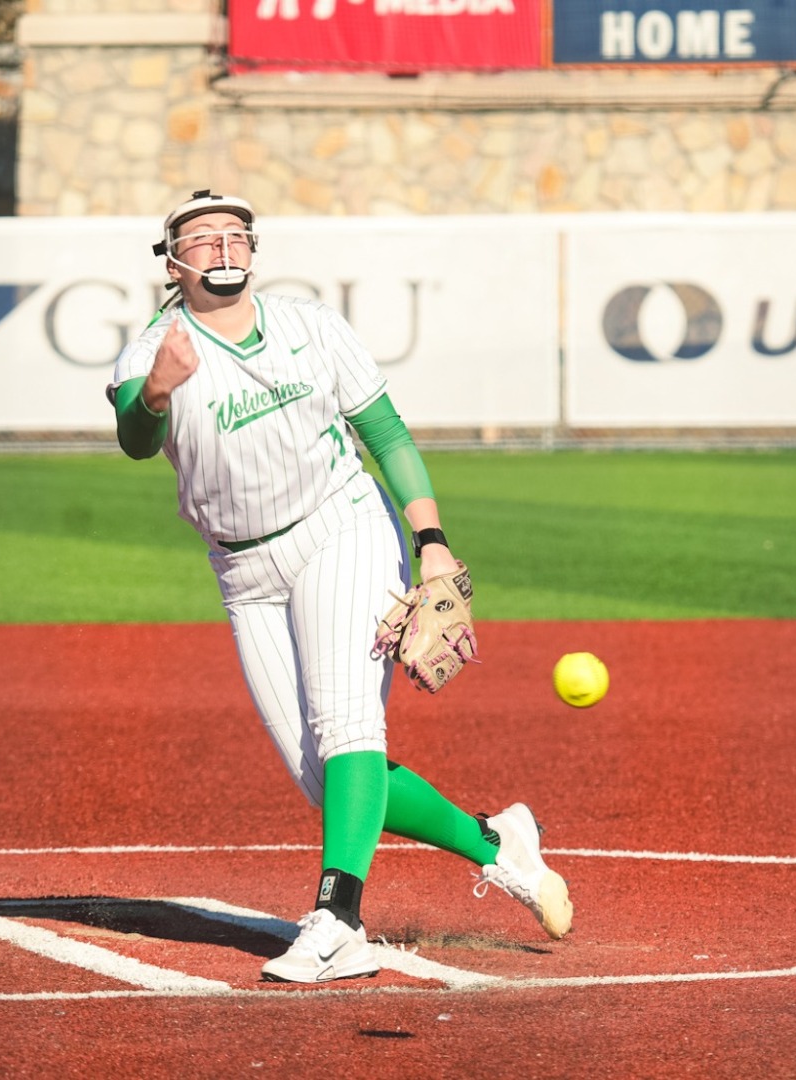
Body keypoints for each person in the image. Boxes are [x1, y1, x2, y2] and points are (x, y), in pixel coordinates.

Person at [106, 191, 573, 982]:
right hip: (244, 570)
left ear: (254, 250)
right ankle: (500, 844)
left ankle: (337, 919)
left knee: (348, 721)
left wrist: (430, 543)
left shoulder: (311, 327)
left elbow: (385, 435)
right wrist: (157, 390)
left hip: (341, 528)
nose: (222, 246)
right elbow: (133, 438)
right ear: (173, 259)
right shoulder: (154, 352)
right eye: (201, 235)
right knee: (327, 779)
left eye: (235, 234)